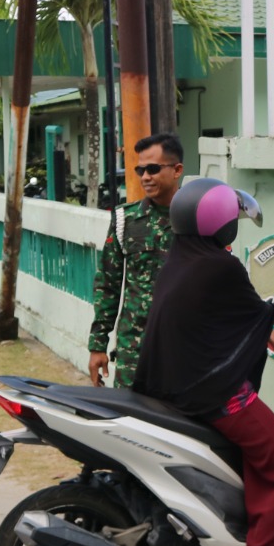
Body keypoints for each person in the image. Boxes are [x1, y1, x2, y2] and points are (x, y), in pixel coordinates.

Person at [132, 178, 274, 546]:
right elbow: (249, 309)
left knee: (253, 462)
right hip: (214, 395)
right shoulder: (221, 266)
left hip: (169, 387)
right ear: (219, 223)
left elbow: (237, 313)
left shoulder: (179, 258)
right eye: (232, 219)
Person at [88, 133, 184, 388]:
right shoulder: (125, 220)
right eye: (141, 170)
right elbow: (107, 284)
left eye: (153, 169)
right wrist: (98, 346)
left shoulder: (199, 218)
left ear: (177, 170)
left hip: (185, 350)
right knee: (130, 422)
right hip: (135, 352)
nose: (145, 177)